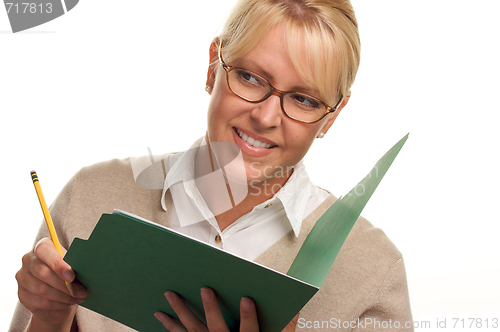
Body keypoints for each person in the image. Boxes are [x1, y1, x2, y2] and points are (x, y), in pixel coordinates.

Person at [10, 0, 413, 331]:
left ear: (332, 116)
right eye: (251, 77)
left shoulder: (372, 270)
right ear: (212, 65)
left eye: (305, 100)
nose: (266, 117)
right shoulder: (90, 197)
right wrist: (49, 318)